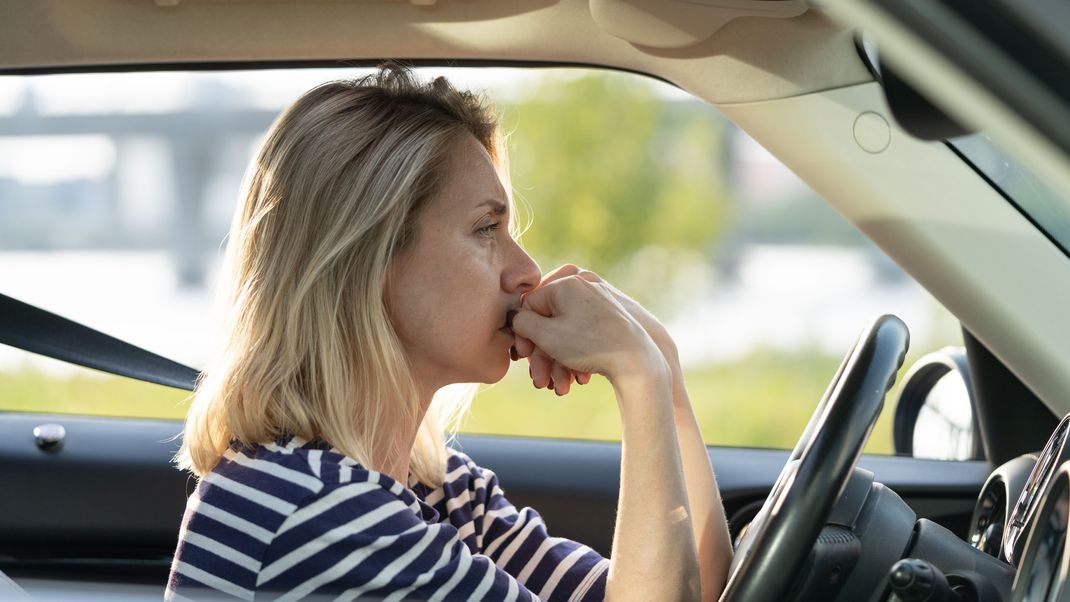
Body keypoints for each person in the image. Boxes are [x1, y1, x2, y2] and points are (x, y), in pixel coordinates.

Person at [166, 65, 732, 601]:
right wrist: (638, 379)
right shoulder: (318, 512)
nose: (527, 271)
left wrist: (663, 369)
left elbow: (694, 588)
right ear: (372, 261)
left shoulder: (436, 490)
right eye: (487, 229)